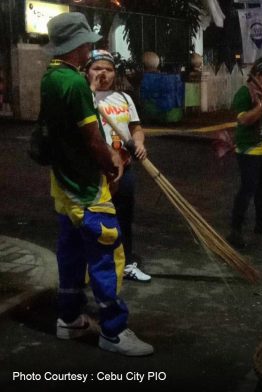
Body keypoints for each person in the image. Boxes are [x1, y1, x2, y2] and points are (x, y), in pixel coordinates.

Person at [41, 13, 153, 356]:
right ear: (78, 44)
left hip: (62, 182)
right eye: (87, 42)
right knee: (106, 254)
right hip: (86, 184)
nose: (90, 47)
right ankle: (113, 332)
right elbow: (92, 140)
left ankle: (70, 318)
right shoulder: (74, 83)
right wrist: (113, 163)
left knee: (71, 251)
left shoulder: (51, 77)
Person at [85, 50, 151, 283]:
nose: (103, 73)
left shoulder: (124, 99)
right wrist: (90, 92)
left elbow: (135, 128)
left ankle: (127, 263)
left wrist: (140, 142)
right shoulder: (84, 97)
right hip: (96, 171)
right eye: (97, 68)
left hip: (125, 167)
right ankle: (95, 265)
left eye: (109, 69)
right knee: (96, 220)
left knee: (124, 216)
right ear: (87, 71)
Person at [228, 57, 262, 248]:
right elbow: (246, 120)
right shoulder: (244, 94)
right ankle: (235, 229)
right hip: (250, 151)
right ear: (258, 75)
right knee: (247, 188)